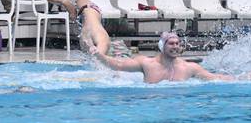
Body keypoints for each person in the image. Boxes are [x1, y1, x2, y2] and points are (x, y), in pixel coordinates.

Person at [91, 31, 239, 84]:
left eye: (177, 43)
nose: (175, 46)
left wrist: (242, 78)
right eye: (171, 43)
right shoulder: (147, 63)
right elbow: (118, 65)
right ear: (162, 46)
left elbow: (213, 78)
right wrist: (99, 55)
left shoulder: (189, 68)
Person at [47, 0, 112, 56]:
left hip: (91, 10)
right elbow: (100, 54)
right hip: (89, 11)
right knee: (80, 4)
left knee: (74, 15)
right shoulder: (100, 37)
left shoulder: (95, 34)